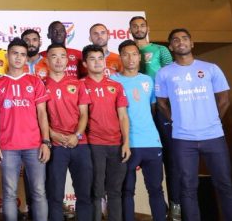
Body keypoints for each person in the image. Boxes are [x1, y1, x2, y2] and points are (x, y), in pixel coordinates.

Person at [156, 28, 232, 221]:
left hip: (213, 136)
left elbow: (224, 100)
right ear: (171, 46)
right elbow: (161, 103)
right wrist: (175, 120)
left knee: (224, 183)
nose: (180, 42)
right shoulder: (164, 73)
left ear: (191, 43)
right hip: (183, 139)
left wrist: (213, 119)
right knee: (188, 186)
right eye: (175, 40)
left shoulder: (211, 68)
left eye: (184, 38)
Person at [0, 38, 50, 221]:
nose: (19, 58)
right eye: (15, 53)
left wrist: (46, 142)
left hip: (34, 145)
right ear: (7, 55)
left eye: (23, 54)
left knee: (38, 191)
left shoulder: (35, 82)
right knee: (9, 193)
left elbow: (42, 114)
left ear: (26, 58)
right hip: (8, 147)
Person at [129, 15, 179, 219]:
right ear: (130, 29)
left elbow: (172, 75)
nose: (139, 29)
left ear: (147, 27)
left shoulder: (160, 50)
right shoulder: (128, 52)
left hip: (162, 107)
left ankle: (176, 205)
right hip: (139, 111)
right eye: (135, 26)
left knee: (171, 158)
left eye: (142, 25)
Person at [110, 40, 166, 221]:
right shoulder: (113, 81)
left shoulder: (147, 80)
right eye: (126, 54)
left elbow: (151, 109)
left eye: (134, 54)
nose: (130, 58)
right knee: (127, 191)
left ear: (139, 56)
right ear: (120, 58)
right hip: (127, 144)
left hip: (151, 142)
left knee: (156, 189)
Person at [43, 44, 92, 221]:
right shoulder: (41, 85)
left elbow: (84, 115)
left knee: (84, 194)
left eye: (62, 56)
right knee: (55, 196)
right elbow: (38, 117)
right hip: (55, 147)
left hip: (80, 144)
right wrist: (52, 135)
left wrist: (76, 135)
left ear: (67, 60)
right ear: (47, 60)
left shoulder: (78, 84)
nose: (58, 60)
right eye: (54, 56)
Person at [82, 44, 130, 221]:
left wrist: (126, 142)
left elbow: (123, 116)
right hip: (94, 144)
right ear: (85, 64)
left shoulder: (116, 86)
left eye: (100, 58)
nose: (97, 62)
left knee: (115, 191)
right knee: (96, 191)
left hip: (116, 144)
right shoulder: (80, 85)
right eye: (92, 59)